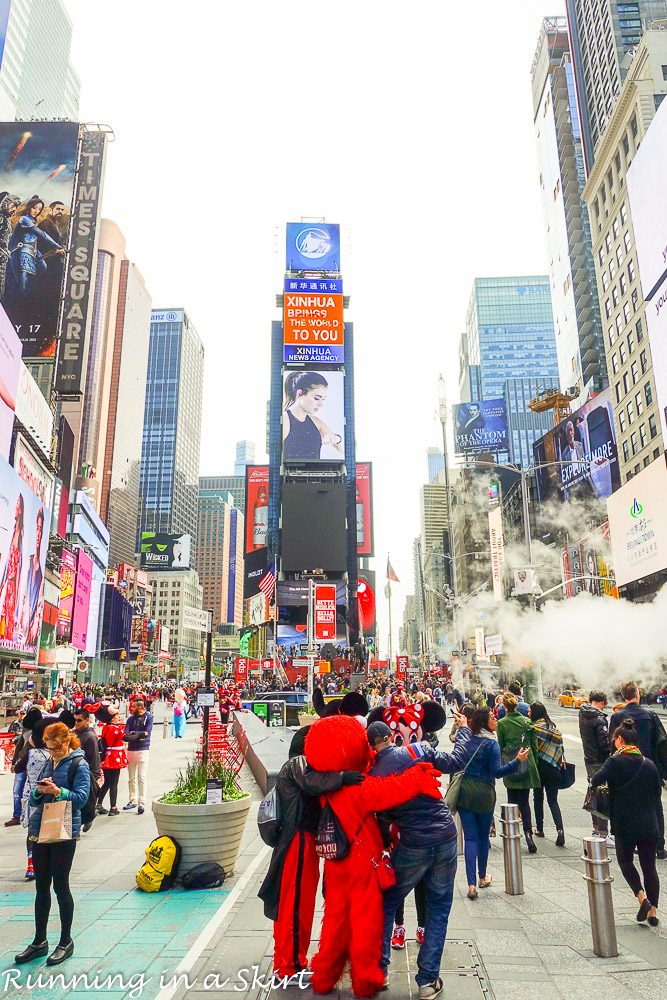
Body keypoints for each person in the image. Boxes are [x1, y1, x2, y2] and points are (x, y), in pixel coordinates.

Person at [303, 715, 444, 999]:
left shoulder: (326, 786)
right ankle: (366, 978)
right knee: (366, 920)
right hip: (361, 862)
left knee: (335, 919)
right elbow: (389, 791)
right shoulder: (357, 789)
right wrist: (417, 776)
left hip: (335, 864)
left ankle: (325, 975)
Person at [369, 716, 473, 999]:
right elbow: (457, 760)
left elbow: (381, 813)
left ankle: (378, 972)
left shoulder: (374, 776)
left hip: (413, 843)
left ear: (370, 747)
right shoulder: (416, 751)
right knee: (439, 907)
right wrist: (462, 729)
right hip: (445, 837)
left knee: (387, 900)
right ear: (391, 737)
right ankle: (427, 982)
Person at [258, 726, 364, 981]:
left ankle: (288, 959)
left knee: (294, 904)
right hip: (299, 840)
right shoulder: (299, 763)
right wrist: (342, 777)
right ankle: (290, 964)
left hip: (298, 839)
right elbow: (312, 782)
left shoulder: (293, 764)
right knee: (296, 904)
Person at [15, 720, 90, 967]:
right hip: (41, 829)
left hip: (65, 830)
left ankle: (65, 941)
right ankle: (39, 941)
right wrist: (40, 791)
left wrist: (59, 792)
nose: (53, 752)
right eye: (49, 748)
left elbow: (81, 798)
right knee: (41, 887)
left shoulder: (79, 764)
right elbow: (35, 799)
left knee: (61, 886)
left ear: (67, 741)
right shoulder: (48, 760)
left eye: (56, 748)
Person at [591, 718, 661, 926]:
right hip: (649, 823)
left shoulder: (615, 761)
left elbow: (595, 780)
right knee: (650, 867)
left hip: (624, 823)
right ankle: (654, 912)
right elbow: (657, 798)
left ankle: (642, 898)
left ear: (619, 740)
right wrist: (661, 830)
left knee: (625, 861)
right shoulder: (649, 764)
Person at [457, 707, 528, 898]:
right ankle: (482, 877)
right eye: (491, 717)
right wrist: (517, 761)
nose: (495, 719)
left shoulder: (466, 738)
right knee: (482, 837)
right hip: (485, 794)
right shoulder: (491, 744)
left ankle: (471, 885)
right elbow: (497, 772)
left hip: (465, 793)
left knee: (470, 838)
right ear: (483, 722)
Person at [609, 681, 667, 859]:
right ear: (637, 694)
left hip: (625, 768)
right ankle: (659, 845)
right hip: (650, 767)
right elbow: (661, 743)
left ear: (623, 696)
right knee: (655, 805)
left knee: (627, 804)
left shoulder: (617, 717)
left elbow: (612, 745)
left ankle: (631, 842)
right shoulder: (649, 715)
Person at [497, 692, 540, 853]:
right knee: (525, 802)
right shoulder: (526, 721)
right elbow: (534, 746)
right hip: (526, 764)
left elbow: (500, 747)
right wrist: (533, 763)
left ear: (505, 707)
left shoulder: (502, 723)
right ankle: (528, 834)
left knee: (511, 800)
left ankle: (511, 832)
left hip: (511, 764)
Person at [7, 197, 65, 298]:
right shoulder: (24, 219)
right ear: (29, 207)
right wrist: (57, 246)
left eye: (39, 209)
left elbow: (35, 239)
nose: (37, 211)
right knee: (23, 279)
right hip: (22, 250)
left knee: (42, 267)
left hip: (33, 250)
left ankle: (26, 295)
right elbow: (42, 234)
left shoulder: (33, 220)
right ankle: (21, 297)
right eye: (34, 208)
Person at [282, 370, 344, 461]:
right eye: (317, 398)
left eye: (323, 399)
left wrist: (337, 439)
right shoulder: (284, 420)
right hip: (288, 474)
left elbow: (346, 451)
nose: (321, 404)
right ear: (300, 393)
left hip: (317, 474)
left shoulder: (316, 422)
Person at [529, 702, 565, 847]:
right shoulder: (553, 727)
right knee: (553, 800)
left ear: (536, 713)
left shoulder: (534, 728)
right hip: (554, 767)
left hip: (539, 768)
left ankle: (539, 829)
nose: (529, 713)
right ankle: (560, 829)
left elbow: (532, 748)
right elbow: (560, 748)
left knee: (538, 798)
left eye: (530, 711)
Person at [579, 691, 611, 841]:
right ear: (602, 702)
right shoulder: (599, 718)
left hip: (589, 759)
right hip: (600, 760)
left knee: (594, 791)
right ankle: (603, 833)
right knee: (602, 794)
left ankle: (596, 829)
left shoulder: (583, 713)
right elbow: (604, 744)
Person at [93, 702, 127, 816]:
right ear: (112, 718)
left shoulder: (105, 728)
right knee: (114, 783)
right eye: (116, 715)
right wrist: (142, 735)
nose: (118, 717)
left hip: (106, 757)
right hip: (115, 757)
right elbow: (127, 738)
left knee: (107, 782)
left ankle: (99, 804)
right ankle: (113, 807)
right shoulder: (116, 729)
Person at [0, 493, 24, 641]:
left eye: (17, 505)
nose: (15, 508)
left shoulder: (19, 536)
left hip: (11, 589)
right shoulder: (12, 531)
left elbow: (17, 571)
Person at [19, 505, 45, 647]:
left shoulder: (41, 571)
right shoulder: (27, 563)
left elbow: (39, 607)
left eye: (41, 529)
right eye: (37, 529)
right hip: (19, 631)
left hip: (31, 636)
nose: (38, 534)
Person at [72, 708, 100, 832]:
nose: (76, 723)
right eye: (75, 720)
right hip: (74, 771)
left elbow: (95, 757)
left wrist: (95, 776)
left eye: (79, 720)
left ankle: (86, 819)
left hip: (86, 772)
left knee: (84, 801)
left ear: (86, 720)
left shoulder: (90, 737)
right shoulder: (73, 734)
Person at [122, 698, 153, 814]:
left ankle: (142, 802)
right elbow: (125, 735)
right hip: (131, 750)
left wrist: (133, 734)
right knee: (131, 778)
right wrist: (139, 734)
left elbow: (147, 733)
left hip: (143, 749)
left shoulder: (149, 718)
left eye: (134, 706)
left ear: (140, 707)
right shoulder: (130, 719)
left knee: (142, 777)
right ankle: (132, 799)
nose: (132, 708)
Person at [0, 191, 20, 298]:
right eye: (12, 206)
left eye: (16, 207)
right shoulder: (1, 218)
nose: (14, 209)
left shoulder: (6, 219)